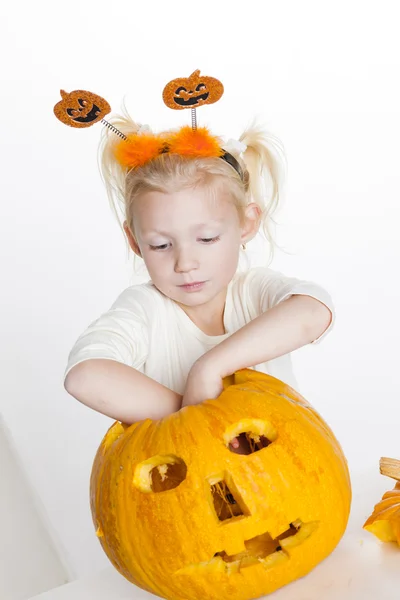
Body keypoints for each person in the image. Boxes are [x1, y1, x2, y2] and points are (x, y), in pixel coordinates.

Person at [64, 113, 333, 437]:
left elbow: (314, 310)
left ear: (246, 224)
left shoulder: (252, 292)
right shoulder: (144, 310)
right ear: (135, 241)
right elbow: (85, 376)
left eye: (206, 239)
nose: (185, 263)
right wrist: (199, 419)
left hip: (287, 475)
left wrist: (209, 368)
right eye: (161, 245)